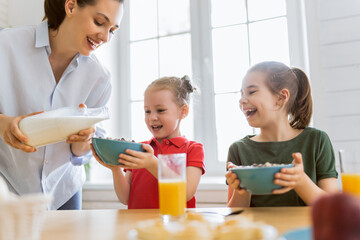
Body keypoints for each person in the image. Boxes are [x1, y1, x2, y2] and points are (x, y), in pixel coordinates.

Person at [0, 0, 124, 210]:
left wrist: (83, 141)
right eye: (99, 22)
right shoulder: (6, 45)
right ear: (71, 6)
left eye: (112, 30)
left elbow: (82, 153)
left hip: (63, 192)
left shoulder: (99, 78)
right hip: (7, 188)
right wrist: (3, 123)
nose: (105, 37)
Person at [225, 61, 339, 207]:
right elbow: (234, 214)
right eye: (241, 94)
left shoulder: (317, 140)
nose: (241, 100)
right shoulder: (238, 149)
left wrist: (300, 181)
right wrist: (243, 187)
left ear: (280, 98)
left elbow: (333, 207)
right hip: (259, 230)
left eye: (251, 92)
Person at [91, 76, 205, 209]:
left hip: (176, 226)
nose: (152, 117)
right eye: (147, 111)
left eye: (160, 110)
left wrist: (152, 163)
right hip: (139, 225)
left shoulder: (193, 149)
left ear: (183, 111)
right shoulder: (138, 149)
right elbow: (125, 198)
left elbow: (186, 192)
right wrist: (115, 169)